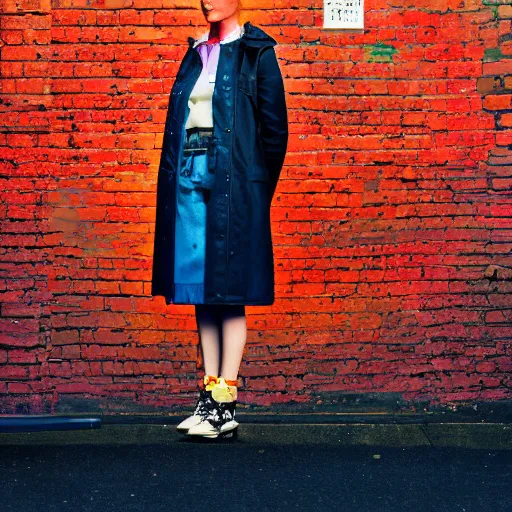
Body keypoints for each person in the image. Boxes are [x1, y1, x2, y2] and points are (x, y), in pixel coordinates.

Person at [151, 0, 288, 440]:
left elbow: (275, 131)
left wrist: (254, 187)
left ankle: (226, 401)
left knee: (229, 287)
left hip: (234, 179)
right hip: (189, 172)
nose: (209, 0)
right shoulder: (196, 53)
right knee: (200, 286)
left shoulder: (257, 53)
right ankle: (209, 397)